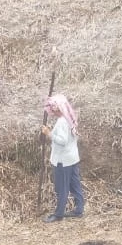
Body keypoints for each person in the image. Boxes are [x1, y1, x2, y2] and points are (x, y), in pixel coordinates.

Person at [42, 94, 84, 222]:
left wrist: (49, 134)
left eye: (53, 108)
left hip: (63, 161)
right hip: (72, 158)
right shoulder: (68, 118)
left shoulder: (61, 122)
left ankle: (59, 214)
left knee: (62, 187)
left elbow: (63, 140)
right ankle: (79, 209)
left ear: (58, 108)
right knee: (75, 184)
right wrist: (52, 131)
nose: (52, 110)